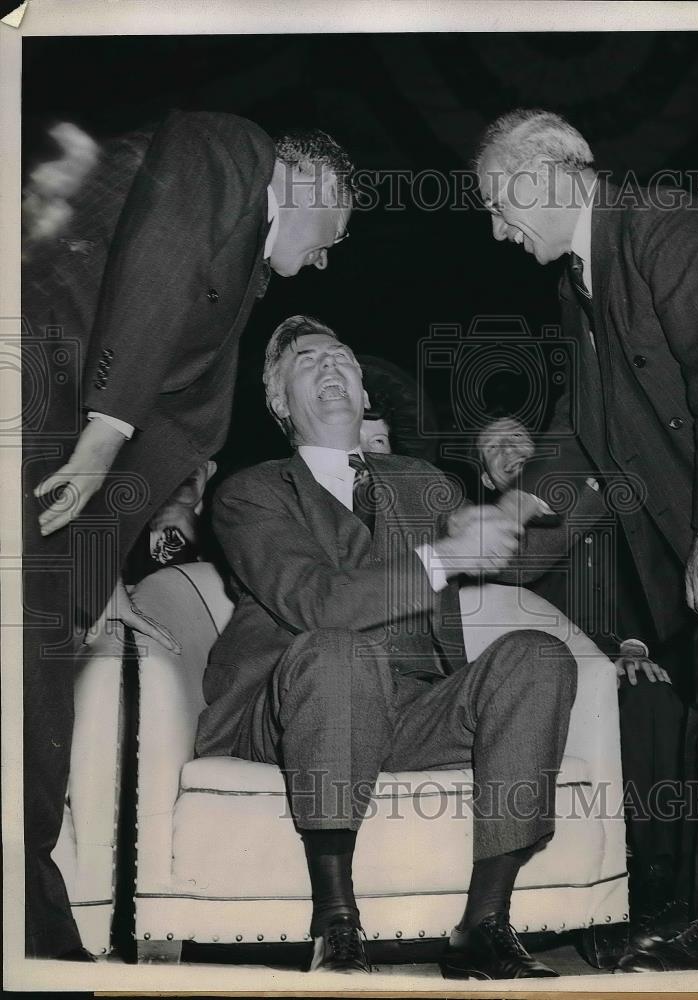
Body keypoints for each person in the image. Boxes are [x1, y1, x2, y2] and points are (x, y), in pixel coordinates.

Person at [22, 113, 353, 959]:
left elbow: (180, 402)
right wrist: (103, 431)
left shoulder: (247, 262)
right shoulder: (231, 149)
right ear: (310, 182)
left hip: (75, 467)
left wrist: (96, 584)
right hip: (49, 415)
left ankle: (31, 909)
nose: (324, 262)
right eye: (331, 236)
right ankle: (31, 917)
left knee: (39, 658)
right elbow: (158, 264)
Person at [195, 315, 578, 979]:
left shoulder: (420, 480)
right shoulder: (250, 493)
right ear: (281, 403)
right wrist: (444, 554)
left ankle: (483, 926)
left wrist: (525, 498)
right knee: (342, 648)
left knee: (538, 656)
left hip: (412, 709)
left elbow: (512, 559)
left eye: (341, 358)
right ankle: (336, 926)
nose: (330, 368)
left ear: (365, 392)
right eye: (307, 362)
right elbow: (315, 601)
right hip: (294, 710)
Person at [475, 109, 698, 971]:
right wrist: (507, 518)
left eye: (496, 203)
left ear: (541, 175)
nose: (496, 229)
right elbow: (591, 439)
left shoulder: (663, 227)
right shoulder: (576, 286)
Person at [475, 414, 685, 965]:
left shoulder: (601, 511)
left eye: (521, 439)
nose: (512, 450)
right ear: (486, 477)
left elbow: (642, 590)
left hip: (619, 659)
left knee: (654, 699)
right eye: (495, 448)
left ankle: (654, 888)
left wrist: (634, 650)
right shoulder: (492, 533)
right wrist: (597, 661)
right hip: (544, 669)